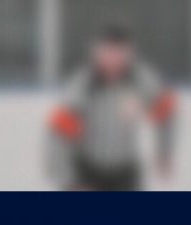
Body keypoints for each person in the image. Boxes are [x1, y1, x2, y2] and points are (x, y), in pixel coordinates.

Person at [47, 22, 177, 191]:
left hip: (126, 174)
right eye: (108, 52)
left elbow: (166, 113)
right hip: (87, 171)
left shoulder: (141, 80)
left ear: (129, 53)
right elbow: (59, 134)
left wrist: (164, 152)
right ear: (97, 53)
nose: (113, 59)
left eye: (120, 53)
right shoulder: (81, 85)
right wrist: (68, 181)